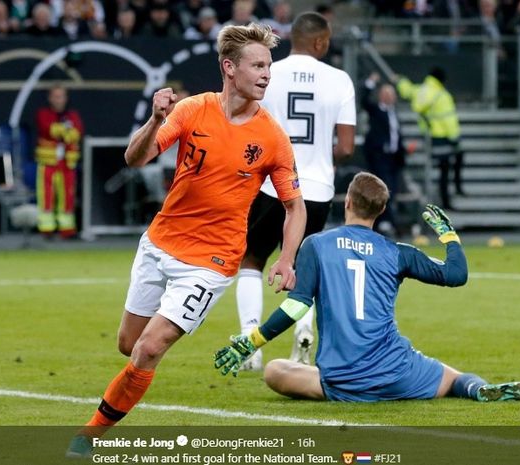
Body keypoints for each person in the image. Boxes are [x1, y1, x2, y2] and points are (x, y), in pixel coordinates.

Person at [66, 23, 306, 458]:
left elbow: (295, 207)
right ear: (229, 68)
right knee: (128, 344)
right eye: (258, 65)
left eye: (269, 65)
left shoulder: (272, 136)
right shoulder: (193, 110)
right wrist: (155, 119)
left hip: (211, 261)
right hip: (161, 242)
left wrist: (287, 259)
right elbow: (135, 158)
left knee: (149, 347)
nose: (267, 74)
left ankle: (91, 433)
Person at [215, 172, 520, 403]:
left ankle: (341, 383)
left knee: (275, 371)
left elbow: (296, 306)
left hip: (342, 377)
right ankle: (478, 391)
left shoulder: (316, 245)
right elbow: (456, 275)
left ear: (347, 203)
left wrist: (251, 341)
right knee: (456, 379)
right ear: (381, 210)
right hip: (397, 370)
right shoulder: (398, 252)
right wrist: (448, 235)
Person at [234, 11, 355, 370]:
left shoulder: (269, 73)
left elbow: (245, 125)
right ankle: (303, 330)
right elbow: (346, 147)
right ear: (319, 42)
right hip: (316, 189)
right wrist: (318, 156)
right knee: (303, 266)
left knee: (253, 260)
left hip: (272, 185)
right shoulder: (339, 79)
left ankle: (250, 341)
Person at [396, 67, 463, 210]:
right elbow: (449, 120)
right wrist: (455, 138)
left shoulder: (421, 90)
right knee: (447, 168)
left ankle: (444, 198)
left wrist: (400, 81)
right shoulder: (442, 95)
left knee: (440, 168)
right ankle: (450, 196)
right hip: (443, 137)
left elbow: (407, 91)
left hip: (429, 136)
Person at [34, 84, 84, 239]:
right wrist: (64, 131)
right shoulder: (43, 113)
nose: (58, 100)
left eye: (61, 96)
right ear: (50, 98)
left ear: (66, 98)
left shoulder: (72, 115)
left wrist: (62, 132)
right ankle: (46, 228)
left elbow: (77, 133)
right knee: (46, 195)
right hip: (48, 162)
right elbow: (47, 129)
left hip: (67, 163)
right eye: (55, 96)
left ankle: (67, 228)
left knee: (68, 196)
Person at [361, 71, 406, 237]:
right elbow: (364, 100)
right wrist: (370, 83)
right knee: (383, 190)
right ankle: (388, 223)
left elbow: (396, 134)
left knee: (392, 191)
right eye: (386, 94)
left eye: (391, 94)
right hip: (380, 157)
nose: (389, 97)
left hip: (394, 158)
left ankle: (386, 222)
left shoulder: (394, 113)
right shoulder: (376, 111)